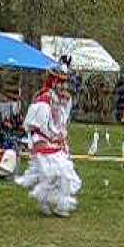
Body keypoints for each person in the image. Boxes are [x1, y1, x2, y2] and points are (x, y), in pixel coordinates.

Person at [15, 67, 81, 217]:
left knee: (63, 172)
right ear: (53, 82)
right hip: (44, 141)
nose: (64, 87)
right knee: (51, 173)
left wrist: (60, 135)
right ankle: (45, 201)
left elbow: (61, 122)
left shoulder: (63, 99)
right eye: (60, 83)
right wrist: (52, 136)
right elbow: (38, 125)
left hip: (56, 142)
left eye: (65, 83)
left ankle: (59, 204)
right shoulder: (43, 100)